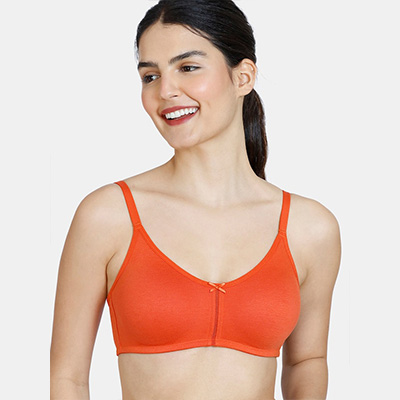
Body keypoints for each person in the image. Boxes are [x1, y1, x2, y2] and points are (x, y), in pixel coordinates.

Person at [50, 0, 341, 399]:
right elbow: (68, 377)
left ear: (243, 77)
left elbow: (306, 361)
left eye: (187, 67)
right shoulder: (108, 216)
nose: (165, 91)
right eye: (150, 76)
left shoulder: (310, 229)